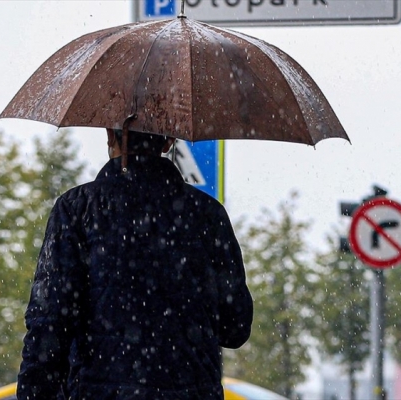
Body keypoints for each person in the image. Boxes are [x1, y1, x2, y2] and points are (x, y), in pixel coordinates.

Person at [17, 129, 253, 400]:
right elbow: (235, 328)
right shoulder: (207, 215)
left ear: (109, 135)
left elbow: (49, 322)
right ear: (169, 140)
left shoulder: (77, 210)